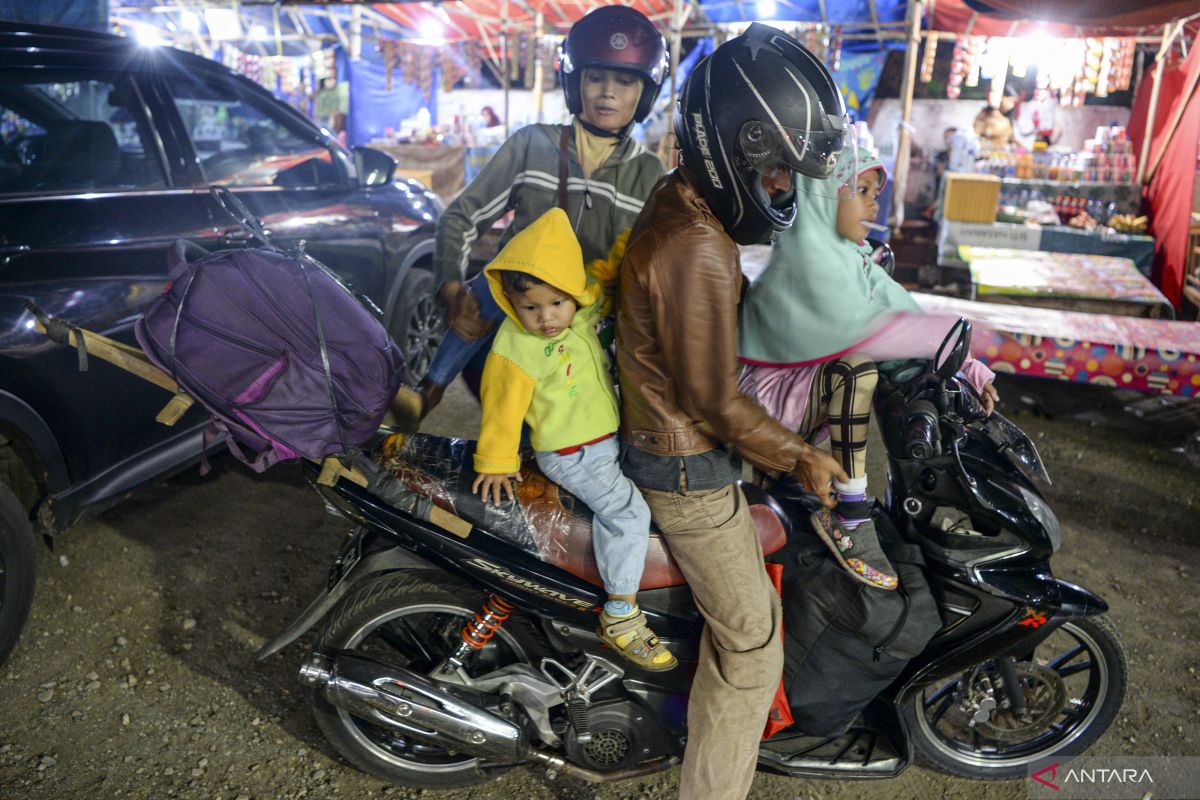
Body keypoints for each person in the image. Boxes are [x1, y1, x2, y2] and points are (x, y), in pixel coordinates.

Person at [615, 24, 849, 800]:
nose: (780, 187)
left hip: (669, 440)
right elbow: (712, 399)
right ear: (729, 148)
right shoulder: (699, 245)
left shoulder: (680, 200)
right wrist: (802, 455)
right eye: (773, 168)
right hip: (683, 466)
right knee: (752, 647)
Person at [392, 6, 669, 426]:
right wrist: (450, 292)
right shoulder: (532, 144)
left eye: (625, 81)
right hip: (515, 307)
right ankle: (428, 392)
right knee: (487, 285)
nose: (607, 92)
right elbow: (460, 219)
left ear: (645, 92)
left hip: (589, 325)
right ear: (576, 83)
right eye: (595, 77)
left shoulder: (650, 174)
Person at [738, 146, 1000, 588]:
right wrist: (956, 339)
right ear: (822, 195)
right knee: (858, 370)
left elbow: (899, 304)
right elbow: (871, 327)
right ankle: (851, 514)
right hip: (764, 398)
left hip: (800, 392)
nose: (872, 204)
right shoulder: (807, 258)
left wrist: (966, 365)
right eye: (859, 190)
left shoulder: (848, 253)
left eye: (874, 193)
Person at [470, 208, 675, 672]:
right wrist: (495, 460)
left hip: (605, 441)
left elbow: (612, 281)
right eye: (531, 308)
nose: (546, 318)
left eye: (556, 303)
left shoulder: (584, 312)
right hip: (572, 454)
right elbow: (501, 406)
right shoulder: (514, 346)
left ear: (575, 294)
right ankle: (621, 614)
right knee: (628, 513)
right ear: (509, 302)